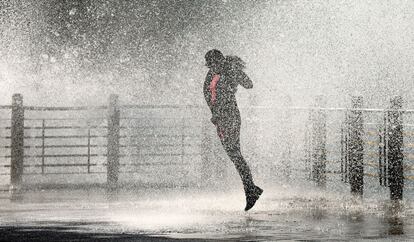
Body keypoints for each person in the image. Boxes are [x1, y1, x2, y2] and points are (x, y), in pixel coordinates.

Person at [203, 49, 263, 211]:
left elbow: (249, 84)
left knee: (235, 153)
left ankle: (251, 189)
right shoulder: (211, 74)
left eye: (216, 63)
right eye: (211, 65)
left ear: (221, 61)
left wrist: (234, 71)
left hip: (230, 117)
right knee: (234, 154)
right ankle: (251, 188)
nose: (214, 67)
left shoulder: (228, 71)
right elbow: (209, 95)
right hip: (220, 120)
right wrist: (215, 114)